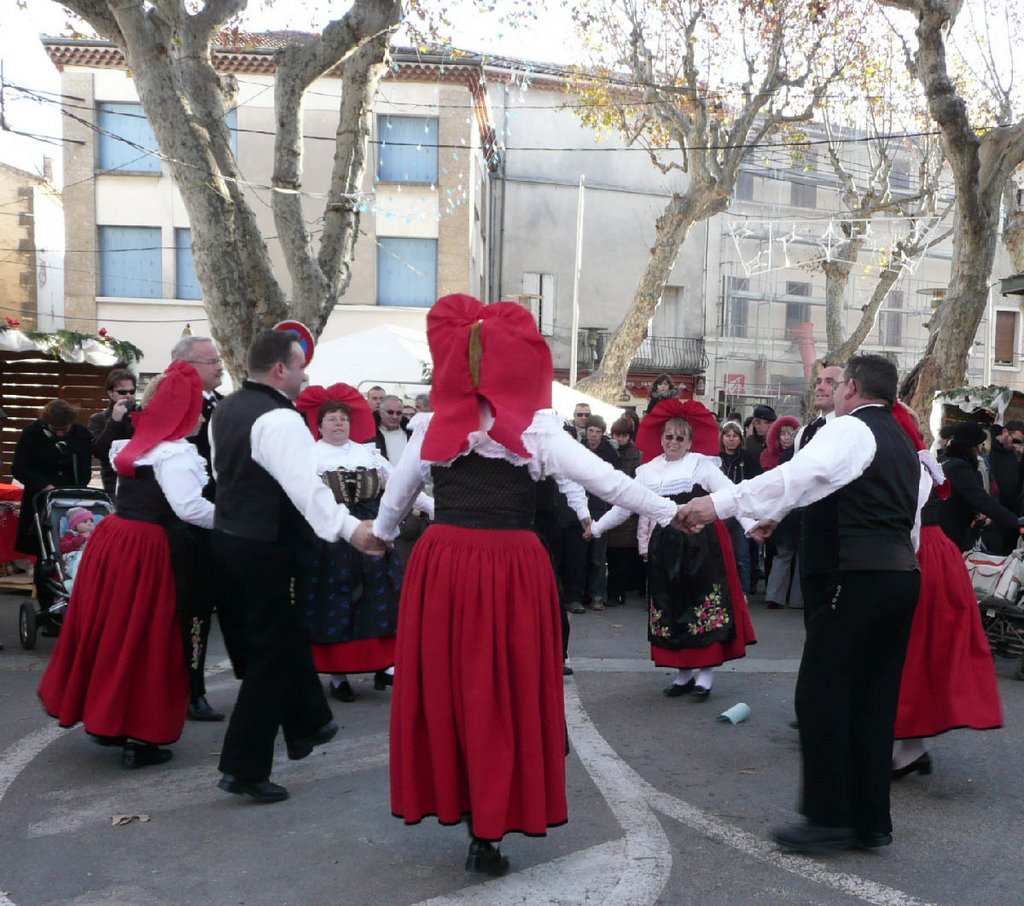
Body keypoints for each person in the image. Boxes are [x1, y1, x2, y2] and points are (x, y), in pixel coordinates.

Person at [372, 294, 686, 876]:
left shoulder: (432, 426)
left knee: (451, 688)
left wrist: (377, 534)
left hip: (444, 563)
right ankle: (489, 827)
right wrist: (672, 512)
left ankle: (466, 810)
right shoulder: (537, 430)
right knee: (504, 691)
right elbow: (612, 484)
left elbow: (394, 505)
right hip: (512, 565)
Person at [678, 354, 922, 854]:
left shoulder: (848, 430)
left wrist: (718, 504)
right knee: (873, 701)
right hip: (898, 575)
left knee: (823, 694)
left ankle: (830, 817)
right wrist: (775, 514)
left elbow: (798, 476)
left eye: (835, 384)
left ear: (851, 388)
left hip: (853, 577)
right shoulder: (900, 438)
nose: (828, 391)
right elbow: (889, 510)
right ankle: (869, 820)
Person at [210, 329, 384, 804]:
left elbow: (223, 476)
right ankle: (244, 768)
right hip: (265, 550)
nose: (307, 374)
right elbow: (306, 489)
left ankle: (309, 725)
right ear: (280, 369)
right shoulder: (279, 419)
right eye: (300, 365)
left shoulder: (225, 409)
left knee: (282, 641)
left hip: (229, 544)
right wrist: (353, 531)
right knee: (271, 655)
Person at [38, 362, 212, 769]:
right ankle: (139, 733)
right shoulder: (174, 453)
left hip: (116, 539)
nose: (201, 417)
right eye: (196, 409)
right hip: (148, 546)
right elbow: (190, 508)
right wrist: (233, 519)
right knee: (147, 638)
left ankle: (108, 720)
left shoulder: (136, 443)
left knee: (113, 632)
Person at [590, 401, 757, 701]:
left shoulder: (701, 465)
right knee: (672, 606)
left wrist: (751, 525)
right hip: (665, 547)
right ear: (661, 439)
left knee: (702, 605)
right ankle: (682, 673)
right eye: (669, 436)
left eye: (680, 437)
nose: (673, 442)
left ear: (690, 442)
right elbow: (624, 505)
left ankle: (705, 673)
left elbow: (732, 495)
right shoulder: (647, 472)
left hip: (703, 543)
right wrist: (598, 527)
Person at [293, 385, 432, 702]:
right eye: (331, 419)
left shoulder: (368, 453)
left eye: (343, 418)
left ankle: (384, 664)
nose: (338, 423)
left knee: (379, 599)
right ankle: (338, 675)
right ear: (319, 424)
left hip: (372, 536)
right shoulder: (310, 457)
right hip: (329, 541)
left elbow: (401, 485)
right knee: (335, 605)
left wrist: (437, 509)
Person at [890, 404, 1004, 777]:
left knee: (915, 652)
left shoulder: (917, 465)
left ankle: (908, 745)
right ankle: (910, 745)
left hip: (924, 557)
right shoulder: (928, 463)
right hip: (931, 555)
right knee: (916, 653)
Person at [170, 334, 227, 722]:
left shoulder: (224, 406)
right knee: (192, 611)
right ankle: (192, 690)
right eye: (212, 361)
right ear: (188, 366)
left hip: (223, 521)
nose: (220, 365)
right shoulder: (171, 405)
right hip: (186, 527)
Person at [12, 399, 92, 610]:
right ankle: (48, 608)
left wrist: (76, 487)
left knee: (73, 549)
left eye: (64, 430)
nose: (61, 434)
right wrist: (43, 485)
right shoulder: (31, 434)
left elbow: (84, 467)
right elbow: (19, 468)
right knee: (45, 554)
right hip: (41, 500)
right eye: (57, 430)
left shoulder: (80, 434)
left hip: (70, 500)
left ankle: (74, 603)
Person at [936, 421, 1021, 553]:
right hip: (950, 536)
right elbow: (980, 499)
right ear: (971, 446)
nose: (980, 450)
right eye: (979, 445)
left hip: (945, 531)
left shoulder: (945, 462)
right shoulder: (958, 468)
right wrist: (1015, 521)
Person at [760, 416, 803, 610]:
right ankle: (790, 598)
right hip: (789, 509)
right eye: (783, 433)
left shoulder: (786, 457)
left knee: (787, 555)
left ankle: (778, 596)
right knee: (788, 554)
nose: (787, 438)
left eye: (790, 434)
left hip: (789, 509)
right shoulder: (801, 455)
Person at [580, 414, 619, 611]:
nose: (594, 435)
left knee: (597, 555)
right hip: (579, 504)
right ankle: (581, 593)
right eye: (591, 431)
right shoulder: (577, 450)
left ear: (603, 434)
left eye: (597, 432)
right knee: (579, 554)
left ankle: (597, 594)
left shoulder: (610, 454)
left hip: (600, 506)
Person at [606, 416, 644, 606]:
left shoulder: (636, 455)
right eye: (617, 435)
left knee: (623, 553)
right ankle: (615, 590)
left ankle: (620, 591)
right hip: (609, 504)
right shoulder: (608, 452)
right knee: (612, 554)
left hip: (628, 506)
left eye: (623, 435)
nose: (620, 439)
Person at [718, 420, 758, 593]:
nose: (731, 440)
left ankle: (743, 592)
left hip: (742, 511)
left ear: (740, 438)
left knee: (741, 555)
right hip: (721, 510)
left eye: (735, 436)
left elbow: (757, 481)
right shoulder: (715, 458)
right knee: (720, 554)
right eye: (727, 436)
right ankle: (723, 591)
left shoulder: (747, 458)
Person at [88, 368, 137, 496]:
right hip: (113, 480)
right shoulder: (99, 419)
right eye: (122, 392)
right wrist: (114, 421)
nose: (128, 396)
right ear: (111, 394)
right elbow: (99, 452)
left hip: (141, 477)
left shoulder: (140, 415)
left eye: (132, 391)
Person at [374, 395, 411, 465]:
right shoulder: (373, 435)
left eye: (398, 413)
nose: (394, 417)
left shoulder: (411, 433)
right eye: (390, 412)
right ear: (380, 413)